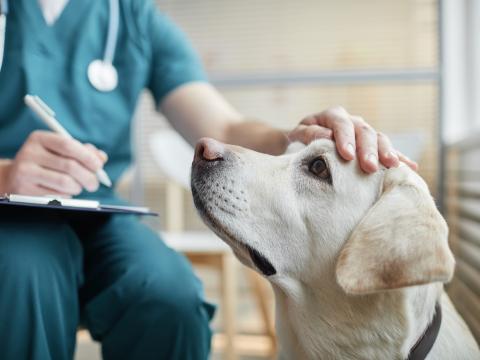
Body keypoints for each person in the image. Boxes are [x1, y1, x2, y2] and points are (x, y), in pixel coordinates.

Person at [0, 0, 416, 359]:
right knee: (21, 277)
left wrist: (294, 136)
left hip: (99, 209)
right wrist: (5, 173)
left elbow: (226, 126)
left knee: (170, 296)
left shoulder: (132, 18)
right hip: (7, 215)